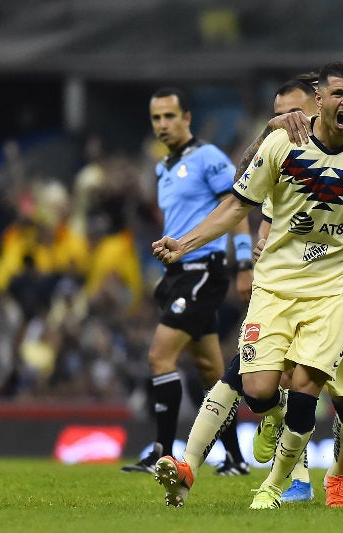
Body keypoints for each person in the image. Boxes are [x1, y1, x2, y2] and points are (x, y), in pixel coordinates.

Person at [152, 62, 343, 510]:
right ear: (319, 99)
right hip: (277, 285)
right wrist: (184, 244)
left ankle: (298, 482)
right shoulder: (281, 143)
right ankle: (230, 456)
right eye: (338, 93)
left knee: (341, 398)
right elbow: (236, 204)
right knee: (258, 387)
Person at [120, 86, 253, 476]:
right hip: (177, 275)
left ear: (187, 118)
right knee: (212, 372)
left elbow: (237, 206)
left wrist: (243, 263)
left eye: (169, 117)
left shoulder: (209, 158)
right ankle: (235, 457)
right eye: (156, 118)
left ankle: (161, 451)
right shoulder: (165, 167)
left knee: (160, 356)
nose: (162, 124)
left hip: (202, 272)